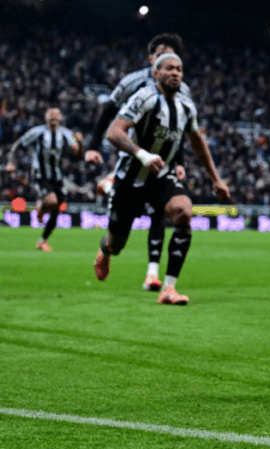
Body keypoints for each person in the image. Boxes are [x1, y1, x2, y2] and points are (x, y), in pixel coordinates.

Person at [93, 53, 230, 305]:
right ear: (156, 73)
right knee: (116, 244)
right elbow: (114, 131)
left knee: (183, 211)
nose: (175, 73)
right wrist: (142, 154)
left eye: (179, 69)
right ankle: (105, 251)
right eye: (169, 68)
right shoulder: (144, 97)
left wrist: (216, 179)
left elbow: (198, 142)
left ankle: (169, 288)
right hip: (130, 179)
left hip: (160, 177)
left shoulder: (186, 106)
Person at [87, 33, 191, 292]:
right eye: (161, 54)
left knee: (164, 212)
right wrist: (92, 146)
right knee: (117, 243)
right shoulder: (133, 82)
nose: (168, 60)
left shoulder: (182, 90)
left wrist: (179, 161)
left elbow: (179, 128)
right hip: (131, 159)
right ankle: (106, 245)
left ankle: (153, 275)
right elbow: (109, 115)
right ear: (151, 58)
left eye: (173, 56)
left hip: (161, 166)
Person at [6, 108, 103, 251]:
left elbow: (78, 154)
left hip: (57, 176)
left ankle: (43, 240)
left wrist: (81, 143)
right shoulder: (37, 132)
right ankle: (42, 207)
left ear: (60, 117)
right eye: (50, 115)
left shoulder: (66, 134)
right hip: (40, 174)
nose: (53, 117)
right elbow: (17, 145)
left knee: (57, 208)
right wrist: (11, 162)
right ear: (45, 117)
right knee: (52, 201)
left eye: (56, 115)